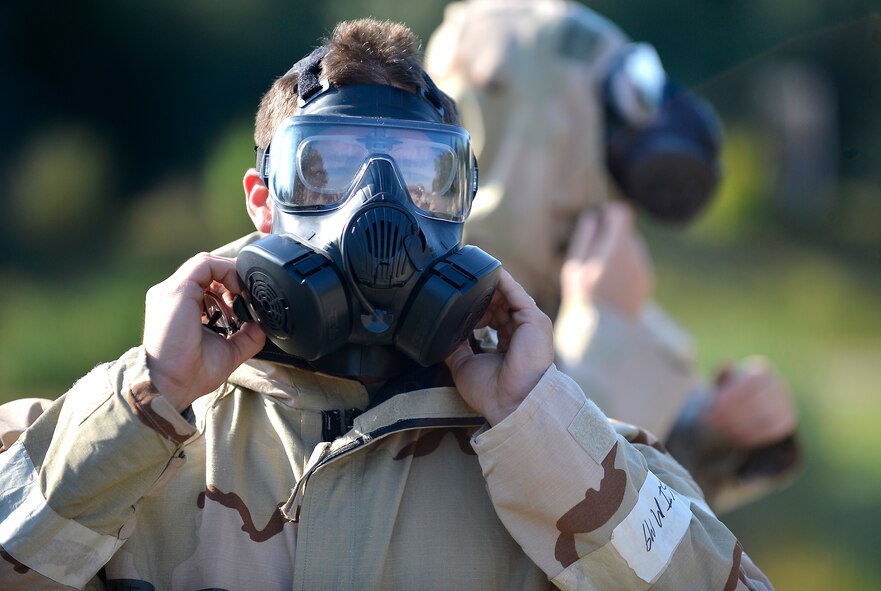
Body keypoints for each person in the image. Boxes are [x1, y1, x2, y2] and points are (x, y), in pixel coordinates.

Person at [0, 19, 774, 590]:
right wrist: (147, 397)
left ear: (463, 204)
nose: (378, 210)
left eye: (420, 176)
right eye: (327, 170)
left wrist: (539, 421)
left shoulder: (561, 456)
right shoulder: (124, 447)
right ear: (262, 202)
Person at [425, 0, 800, 512]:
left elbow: (651, 530)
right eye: (591, 147)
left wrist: (715, 436)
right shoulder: (413, 313)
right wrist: (606, 330)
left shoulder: (585, 298)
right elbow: (534, 518)